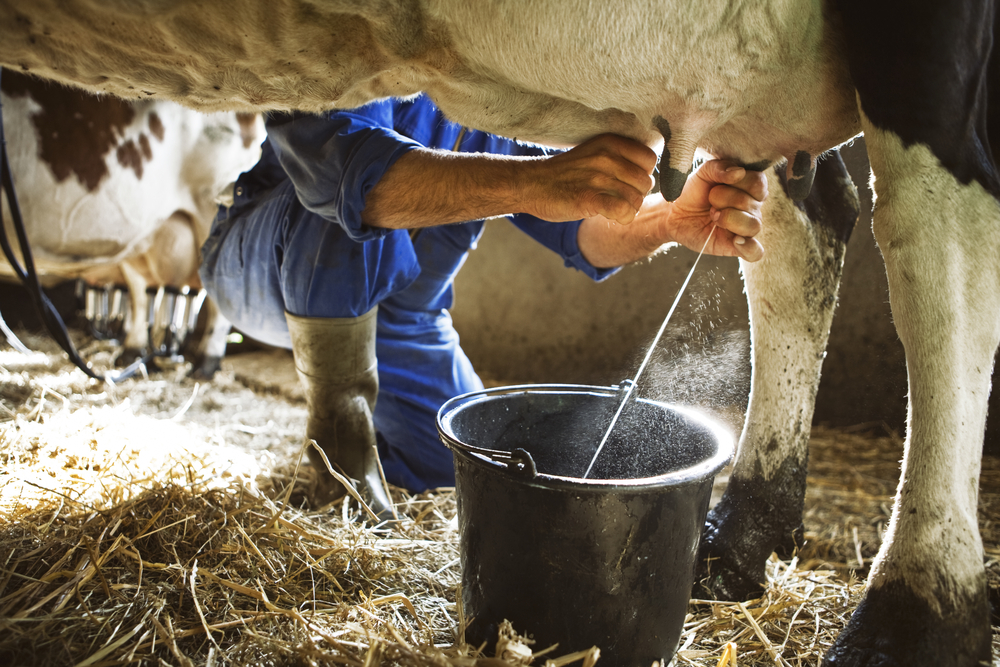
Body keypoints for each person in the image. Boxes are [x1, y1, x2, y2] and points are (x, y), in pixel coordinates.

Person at [200, 94, 766, 516]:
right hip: (261, 261)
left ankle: (382, 448)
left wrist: (669, 219)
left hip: (404, 322)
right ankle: (338, 457)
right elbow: (348, 177)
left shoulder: (499, 90)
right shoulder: (364, 36)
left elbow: (585, 231)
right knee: (344, 204)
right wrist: (538, 182)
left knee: (470, 465)